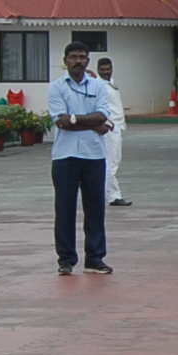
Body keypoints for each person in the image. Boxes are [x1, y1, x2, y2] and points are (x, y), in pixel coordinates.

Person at [48, 40, 114, 275]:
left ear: (88, 61)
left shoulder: (98, 86)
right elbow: (61, 122)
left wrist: (75, 118)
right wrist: (93, 123)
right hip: (65, 156)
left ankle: (95, 258)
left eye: (82, 57)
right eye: (73, 57)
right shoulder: (56, 87)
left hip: (94, 155)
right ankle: (66, 260)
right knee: (65, 209)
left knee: (95, 208)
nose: (78, 61)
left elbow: (103, 115)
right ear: (65, 61)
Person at [94, 55, 130, 207]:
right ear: (98, 70)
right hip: (110, 128)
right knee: (110, 163)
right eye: (102, 70)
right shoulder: (99, 86)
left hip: (117, 127)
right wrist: (108, 124)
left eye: (108, 69)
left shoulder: (110, 84)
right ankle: (113, 196)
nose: (105, 72)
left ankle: (107, 194)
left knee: (114, 161)